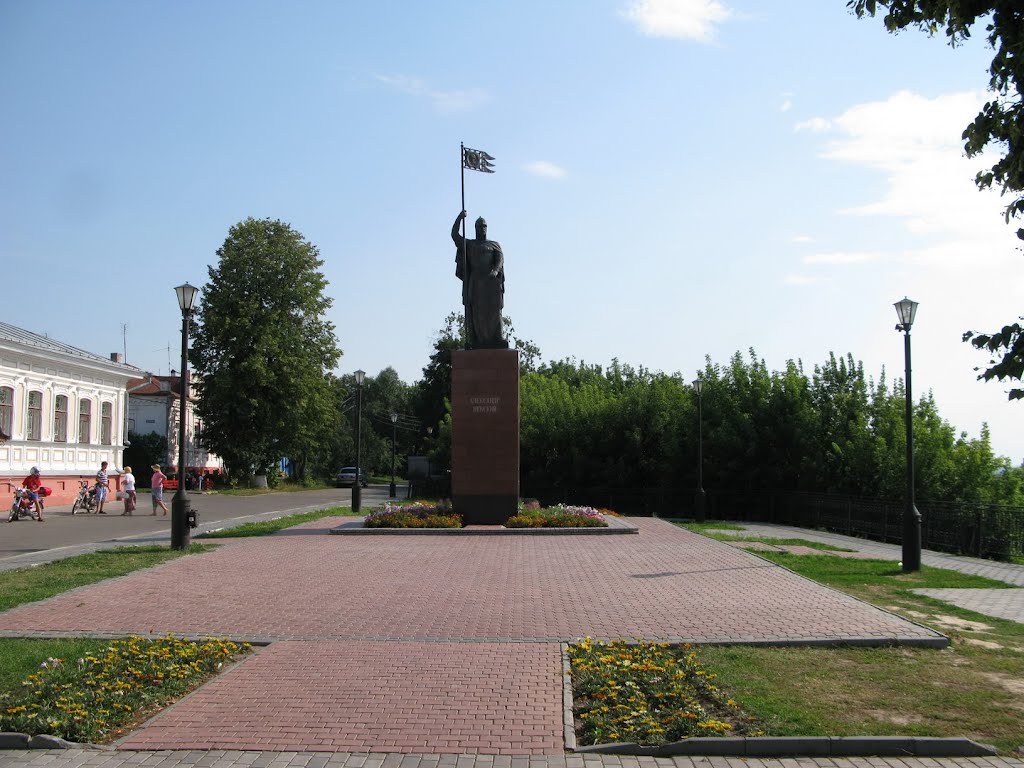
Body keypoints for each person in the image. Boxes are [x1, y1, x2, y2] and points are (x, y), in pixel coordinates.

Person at [451, 210, 508, 349]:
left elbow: (500, 260)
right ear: (475, 229)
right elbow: (454, 235)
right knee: (476, 312)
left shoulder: (494, 244)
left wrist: (495, 271)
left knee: (495, 311)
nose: (482, 229)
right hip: (476, 282)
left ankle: (498, 337)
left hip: (491, 281)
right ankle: (477, 339)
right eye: (479, 226)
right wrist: (460, 218)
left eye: (484, 226)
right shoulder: (470, 244)